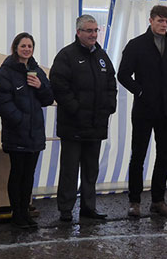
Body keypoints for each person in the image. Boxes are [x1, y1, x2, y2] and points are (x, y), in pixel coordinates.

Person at [49, 15, 117, 222]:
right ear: (78, 32)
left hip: (96, 125)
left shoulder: (102, 56)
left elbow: (111, 85)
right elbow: (59, 85)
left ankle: (89, 207)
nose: (93, 34)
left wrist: (109, 107)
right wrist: (76, 109)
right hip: (74, 125)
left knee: (90, 169)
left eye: (96, 30)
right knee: (70, 169)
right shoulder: (66, 55)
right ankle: (66, 210)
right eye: (89, 31)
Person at [118, 5, 167, 218]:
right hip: (144, 110)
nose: (163, 25)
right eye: (160, 20)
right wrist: (141, 92)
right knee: (138, 156)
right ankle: (134, 201)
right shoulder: (136, 45)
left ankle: (158, 200)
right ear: (151, 20)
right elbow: (123, 75)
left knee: (164, 156)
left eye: (166, 22)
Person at [0, 32, 54, 228]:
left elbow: (48, 98)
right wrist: (19, 120)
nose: (27, 49)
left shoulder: (36, 70)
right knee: (17, 172)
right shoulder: (7, 70)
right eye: (23, 46)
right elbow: (1, 102)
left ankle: (25, 211)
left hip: (35, 133)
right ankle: (16, 213)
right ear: (15, 48)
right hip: (17, 132)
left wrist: (40, 87)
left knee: (29, 174)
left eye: (30, 46)